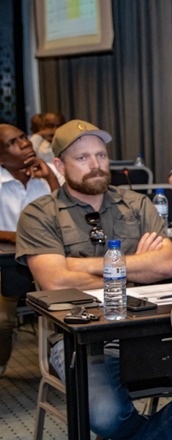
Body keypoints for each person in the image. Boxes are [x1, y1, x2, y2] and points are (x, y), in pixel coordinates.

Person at [15, 119, 172, 439]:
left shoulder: (137, 204)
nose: (95, 165)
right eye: (82, 158)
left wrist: (79, 265)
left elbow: (166, 265)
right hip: (81, 339)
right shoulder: (39, 214)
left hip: (148, 331)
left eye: (101, 156)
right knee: (108, 418)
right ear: (59, 166)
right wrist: (134, 272)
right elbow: (55, 283)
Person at [0, 123, 62, 377]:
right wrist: (23, 237)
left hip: (49, 260)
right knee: (2, 320)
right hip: (6, 263)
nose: (25, 143)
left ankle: (62, 365)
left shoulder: (47, 174)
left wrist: (50, 178)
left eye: (24, 137)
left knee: (68, 309)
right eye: (13, 142)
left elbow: (68, 216)